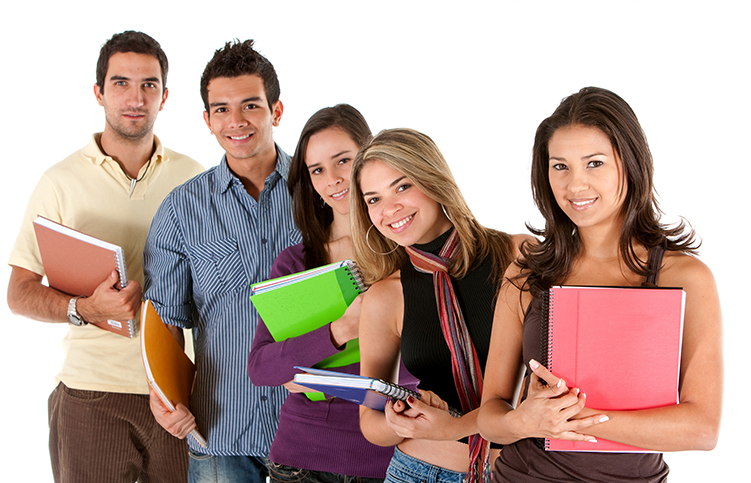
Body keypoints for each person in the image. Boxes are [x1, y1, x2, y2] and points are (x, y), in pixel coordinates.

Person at [477, 87, 723, 482]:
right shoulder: (526, 275)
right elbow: (490, 418)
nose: (575, 185)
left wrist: (569, 419)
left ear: (630, 164)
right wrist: (524, 422)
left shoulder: (685, 278)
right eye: (560, 166)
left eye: (594, 163)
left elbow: (702, 429)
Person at [6, 31, 203, 482]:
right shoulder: (59, 181)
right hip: (91, 394)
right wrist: (84, 309)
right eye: (121, 83)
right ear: (98, 92)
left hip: (180, 393)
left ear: (165, 96)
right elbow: (19, 293)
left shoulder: (195, 178)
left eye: (149, 85)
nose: (135, 98)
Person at [143, 39, 300, 483]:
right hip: (222, 431)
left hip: (313, 428)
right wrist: (161, 395)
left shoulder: (320, 196)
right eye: (221, 109)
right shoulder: (180, 210)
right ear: (207, 119)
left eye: (250, 105)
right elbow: (164, 320)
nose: (236, 121)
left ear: (277, 110)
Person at [350, 128, 529, 483]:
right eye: (373, 199)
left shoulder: (517, 255)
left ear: (432, 179)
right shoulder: (386, 295)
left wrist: (456, 426)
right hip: (418, 471)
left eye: (402, 186)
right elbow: (369, 422)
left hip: (514, 472)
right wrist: (395, 421)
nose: (390, 209)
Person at [248, 104, 416, 482]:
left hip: (393, 459)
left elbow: (429, 365)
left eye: (343, 161)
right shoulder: (296, 262)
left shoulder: (408, 251)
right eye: (317, 170)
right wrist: (340, 330)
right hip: (303, 460)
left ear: (368, 156)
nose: (334, 179)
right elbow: (262, 367)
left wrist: (308, 372)